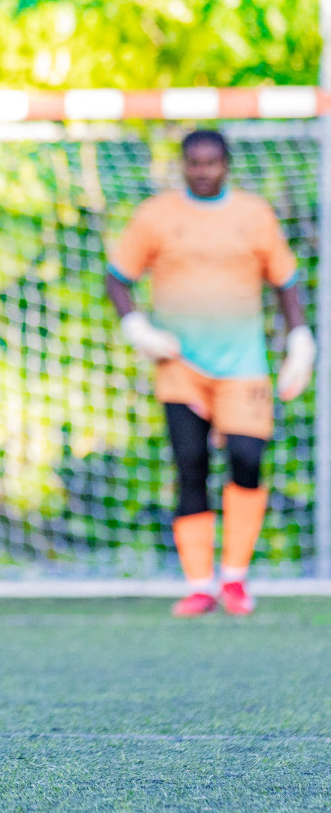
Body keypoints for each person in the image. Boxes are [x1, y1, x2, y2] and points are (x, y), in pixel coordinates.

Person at [106, 128, 314, 618]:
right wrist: (137, 326)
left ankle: (235, 579)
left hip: (242, 364)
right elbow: (117, 278)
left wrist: (300, 340)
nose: (203, 171)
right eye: (194, 163)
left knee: (246, 458)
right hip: (179, 364)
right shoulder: (156, 216)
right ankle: (201, 584)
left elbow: (285, 281)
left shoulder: (254, 215)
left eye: (212, 163)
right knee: (190, 464)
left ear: (226, 165)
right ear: (182, 165)